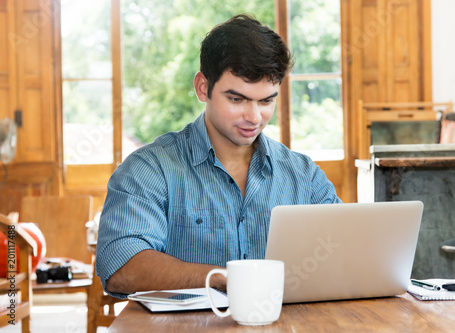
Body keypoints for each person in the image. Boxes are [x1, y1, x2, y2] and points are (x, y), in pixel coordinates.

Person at [96, 14, 342, 299]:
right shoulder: (149, 170)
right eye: (237, 99)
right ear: (203, 88)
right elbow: (121, 269)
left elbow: (346, 249)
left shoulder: (304, 175)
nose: (254, 117)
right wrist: (224, 278)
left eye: (266, 101)